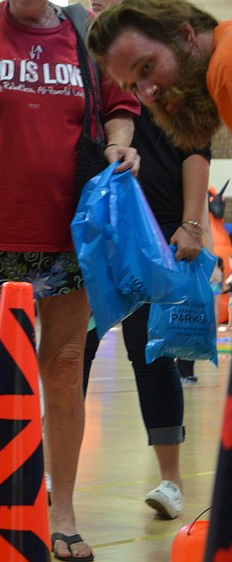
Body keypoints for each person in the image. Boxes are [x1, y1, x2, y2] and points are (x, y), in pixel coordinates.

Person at [0, 1, 141, 560]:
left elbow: (120, 106)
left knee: (66, 368)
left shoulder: (84, 31)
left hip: (73, 229)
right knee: (10, 372)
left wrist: (119, 141)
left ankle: (61, 509)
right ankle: (13, 497)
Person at [81, 0, 213, 521]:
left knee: (154, 358)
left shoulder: (163, 74)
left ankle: (171, 480)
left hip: (158, 239)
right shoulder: (94, 71)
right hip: (97, 241)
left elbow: (196, 152)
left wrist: (193, 222)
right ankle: (49, 470)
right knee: (73, 357)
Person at [87, 0, 226, 151]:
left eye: (146, 67)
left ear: (186, 36)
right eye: (134, 87)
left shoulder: (225, 68)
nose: (147, 95)